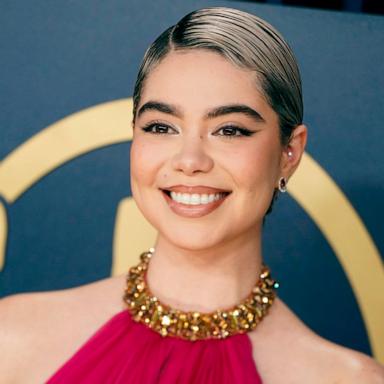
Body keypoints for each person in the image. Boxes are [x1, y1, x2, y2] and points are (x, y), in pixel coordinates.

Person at [1, 6, 383, 383]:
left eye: (229, 130)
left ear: (290, 153)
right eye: (161, 127)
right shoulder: (14, 338)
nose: (190, 160)